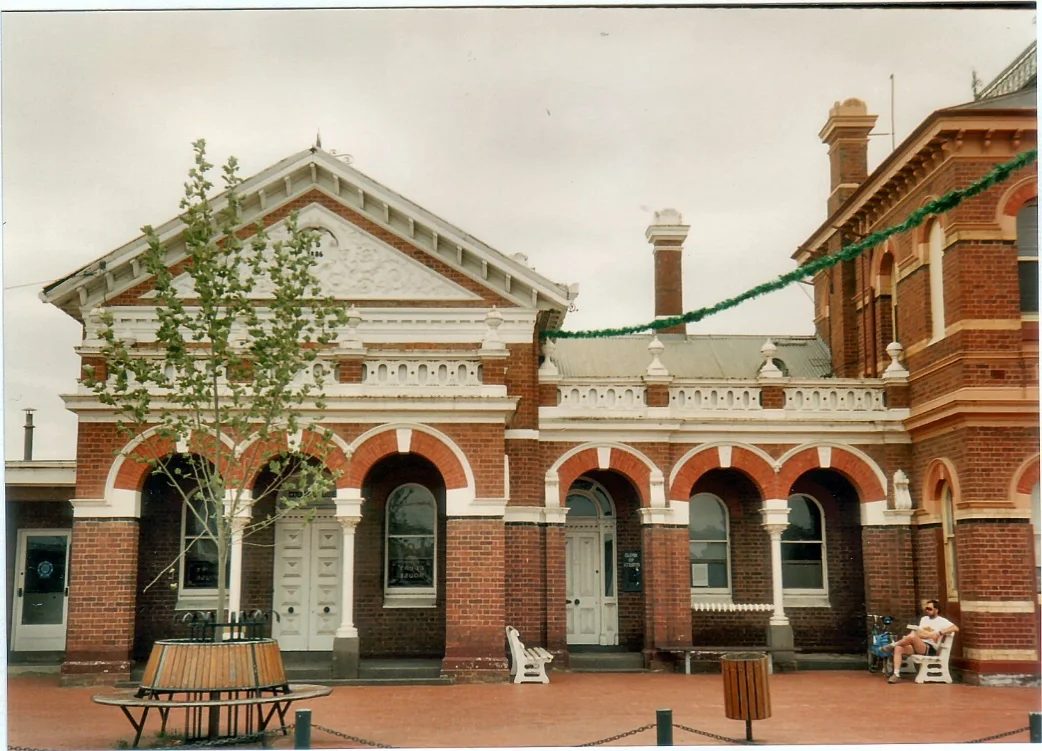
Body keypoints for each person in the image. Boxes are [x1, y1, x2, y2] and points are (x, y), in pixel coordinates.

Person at [883, 599, 958, 683]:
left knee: (912, 637)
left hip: (930, 648)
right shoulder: (924, 619)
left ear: (936, 610)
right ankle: (896, 674)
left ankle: (892, 645)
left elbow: (955, 628)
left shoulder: (942, 621)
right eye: (926, 608)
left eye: (929, 609)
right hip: (918, 645)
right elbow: (919, 633)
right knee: (899, 648)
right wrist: (931, 635)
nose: (927, 611)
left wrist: (940, 632)